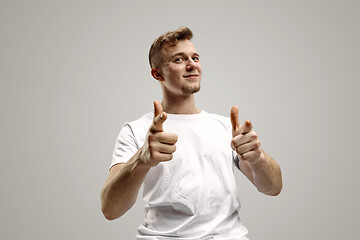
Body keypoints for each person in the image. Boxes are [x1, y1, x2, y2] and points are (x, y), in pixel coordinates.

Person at [101, 27, 282, 240]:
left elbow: (273, 188)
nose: (192, 64)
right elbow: (110, 210)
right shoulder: (136, 130)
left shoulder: (225, 127)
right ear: (157, 73)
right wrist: (142, 160)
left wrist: (257, 157)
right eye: (179, 60)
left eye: (195, 57)